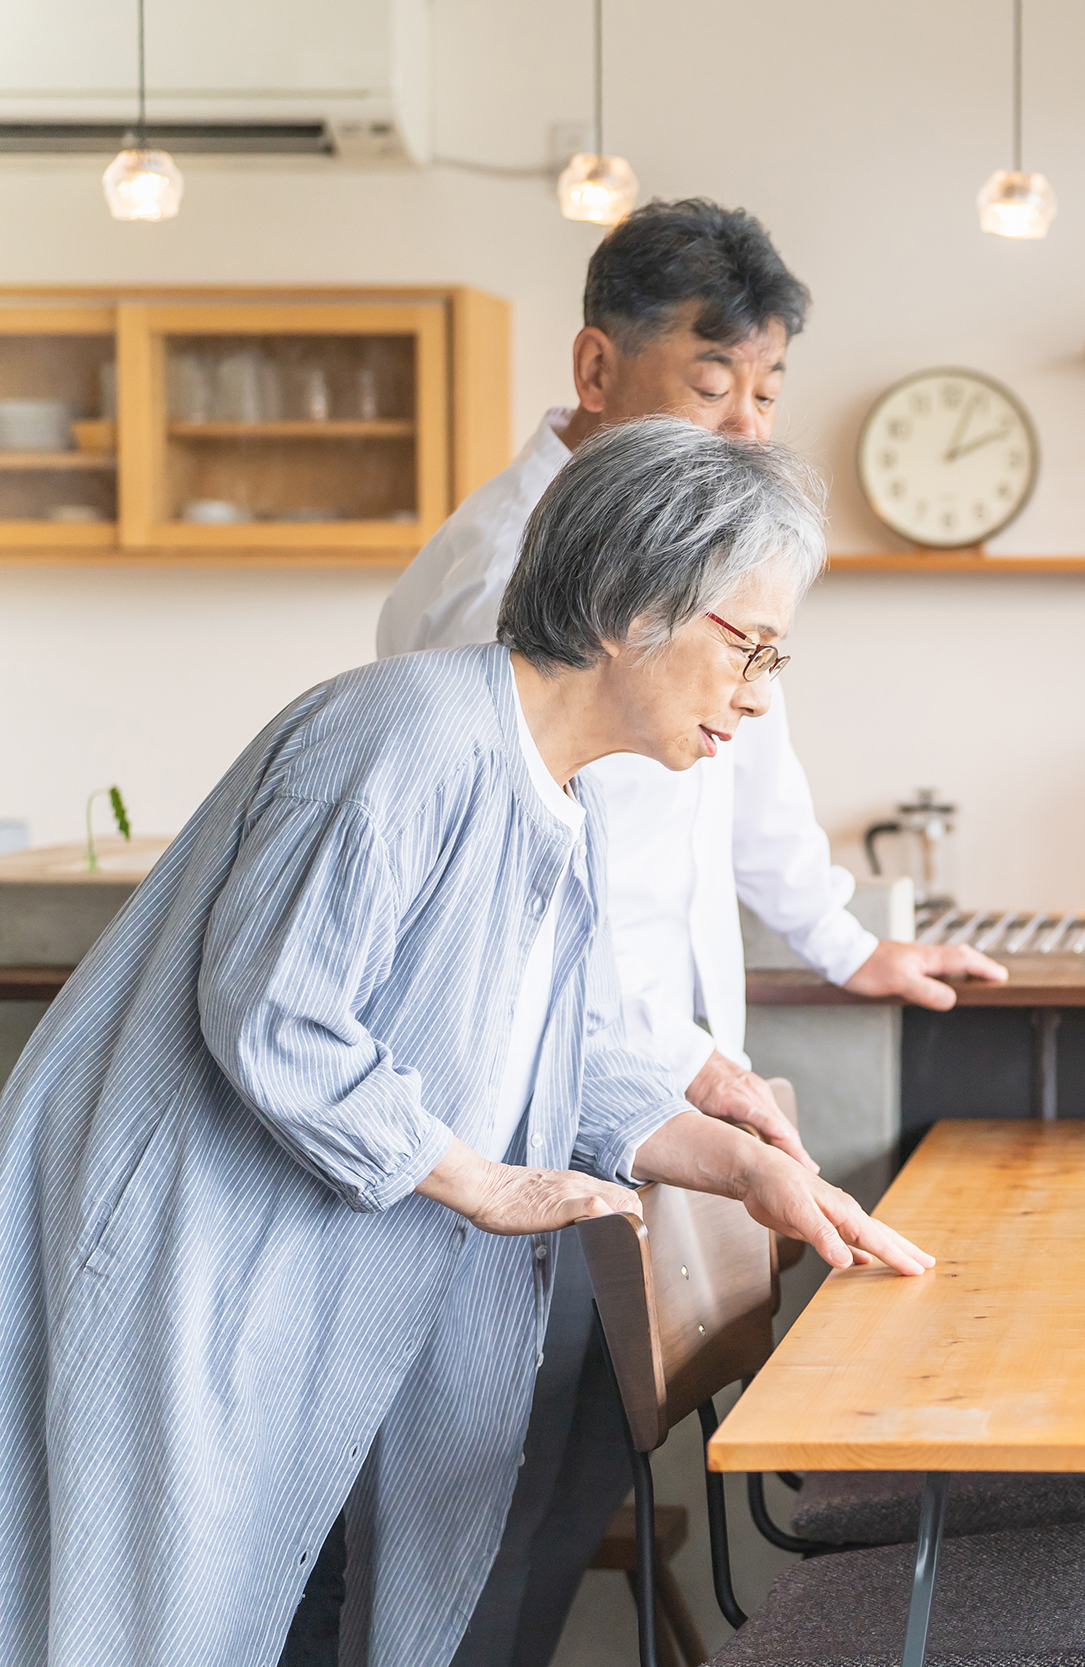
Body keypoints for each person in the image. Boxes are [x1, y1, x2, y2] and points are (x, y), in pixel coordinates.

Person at [0, 420, 934, 1667]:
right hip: (190, 1247)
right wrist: (474, 1176)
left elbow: (560, 1051)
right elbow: (276, 1014)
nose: (760, 695)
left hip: (298, 1255)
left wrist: (743, 1164)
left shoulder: (566, 789)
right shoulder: (405, 737)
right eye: (748, 647)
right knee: (159, 1619)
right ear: (623, 603)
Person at [378, 200, 1000, 1667]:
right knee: (480, 1518)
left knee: (559, 1478)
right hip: (521, 1114)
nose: (741, 422)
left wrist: (845, 945)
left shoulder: (692, 555)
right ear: (598, 366)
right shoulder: (502, 583)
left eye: (767, 392)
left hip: (635, 1087)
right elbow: (507, 925)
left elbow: (754, 764)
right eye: (711, 383)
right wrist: (684, 1091)